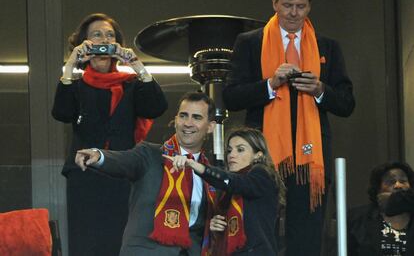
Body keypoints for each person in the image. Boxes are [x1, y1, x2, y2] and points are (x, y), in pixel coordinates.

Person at [222, 0, 355, 256]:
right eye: (287, 5)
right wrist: (270, 84)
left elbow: (347, 103)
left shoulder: (327, 46)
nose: (294, 13)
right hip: (261, 156)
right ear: (274, 3)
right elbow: (231, 97)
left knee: (306, 240)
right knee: (259, 234)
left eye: (301, 6)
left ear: (309, 6)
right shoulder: (249, 42)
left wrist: (320, 89)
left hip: (311, 160)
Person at [51, 13, 168, 256]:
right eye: (97, 35)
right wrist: (71, 64)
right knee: (86, 242)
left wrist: (136, 63)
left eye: (110, 35)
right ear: (84, 43)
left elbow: (157, 107)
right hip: (85, 178)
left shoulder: (131, 84)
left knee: (121, 241)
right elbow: (61, 112)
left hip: (122, 178)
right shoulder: (77, 85)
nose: (104, 39)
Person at [74, 92, 216, 256]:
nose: (188, 123)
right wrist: (99, 155)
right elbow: (124, 161)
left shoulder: (210, 174)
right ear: (176, 120)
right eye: (183, 116)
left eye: (197, 117)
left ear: (210, 127)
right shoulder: (149, 154)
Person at [165, 127, 286, 255]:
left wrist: (197, 166)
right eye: (229, 150)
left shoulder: (262, 175)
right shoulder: (227, 189)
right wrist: (214, 226)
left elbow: (235, 183)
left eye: (240, 149)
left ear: (258, 155)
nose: (232, 155)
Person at [348, 162, 414, 255]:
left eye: (403, 181)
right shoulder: (357, 220)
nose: (398, 185)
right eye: (391, 182)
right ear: (378, 189)